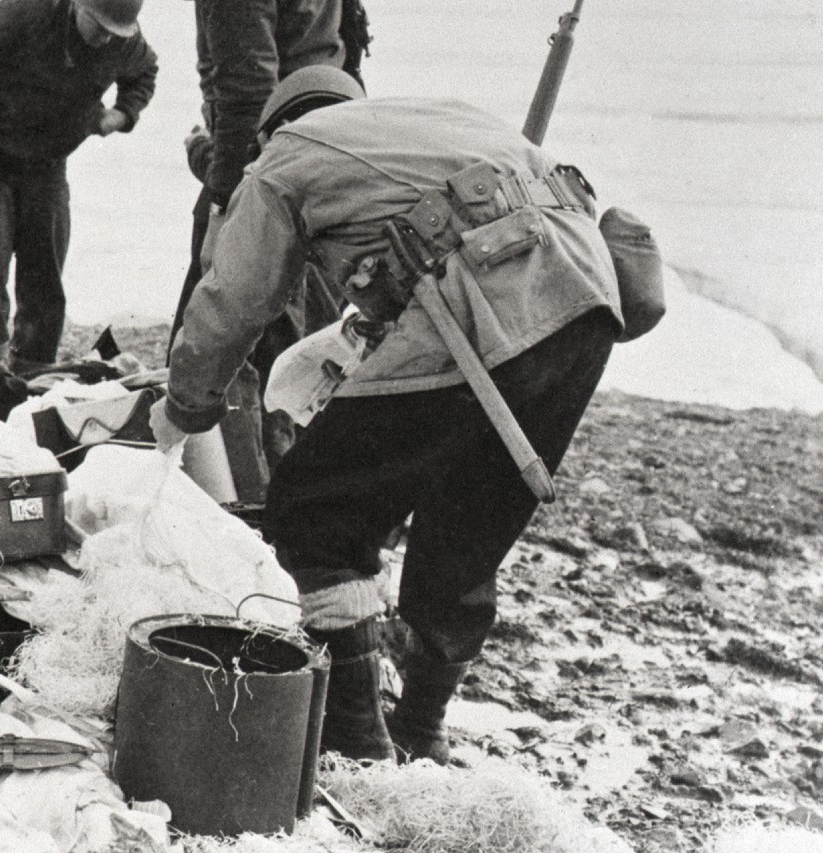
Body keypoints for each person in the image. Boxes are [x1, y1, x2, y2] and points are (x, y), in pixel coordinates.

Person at [150, 67, 623, 763]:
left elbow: (233, 300)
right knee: (468, 522)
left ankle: (355, 734)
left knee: (315, 510)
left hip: (485, 299)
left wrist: (184, 407)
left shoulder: (287, 153)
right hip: (588, 297)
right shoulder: (433, 112)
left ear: (274, 127)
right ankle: (422, 725)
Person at [111, 0, 346, 494]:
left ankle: (230, 510)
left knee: (211, 342)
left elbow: (247, 86)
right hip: (328, 136)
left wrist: (223, 204)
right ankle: (300, 502)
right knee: (305, 345)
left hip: (270, 165)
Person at [0, 0, 157, 374]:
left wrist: (121, 115)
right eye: (98, 26)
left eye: (115, 32)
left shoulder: (123, 42)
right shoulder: (23, 14)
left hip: (48, 167)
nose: (104, 39)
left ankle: (32, 372)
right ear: (78, 3)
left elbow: (144, 73)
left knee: (46, 278)